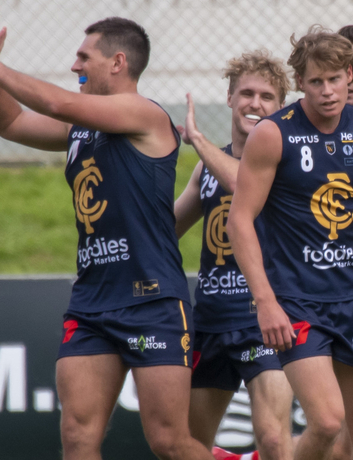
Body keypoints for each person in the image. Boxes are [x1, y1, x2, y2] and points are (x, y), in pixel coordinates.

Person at [0, 5, 211, 459]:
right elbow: (9, 123)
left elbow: (58, 102)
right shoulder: (80, 125)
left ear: (118, 63)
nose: (74, 65)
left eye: (84, 57)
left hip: (151, 299)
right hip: (92, 301)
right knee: (78, 437)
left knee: (169, 442)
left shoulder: (143, 113)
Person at [226, 26, 353, 460]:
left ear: (349, 76)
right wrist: (265, 302)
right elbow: (239, 221)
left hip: (349, 295)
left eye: (334, 79)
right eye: (316, 81)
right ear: (300, 82)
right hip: (299, 303)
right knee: (328, 421)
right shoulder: (273, 134)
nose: (327, 91)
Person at [173, 51, 294, 460]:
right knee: (186, 447)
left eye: (267, 96)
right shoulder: (204, 168)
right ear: (229, 98)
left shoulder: (284, 163)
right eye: (246, 93)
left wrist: (198, 140)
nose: (255, 103)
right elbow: (165, 231)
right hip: (211, 321)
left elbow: (244, 181)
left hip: (265, 322)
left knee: (274, 440)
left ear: (281, 107)